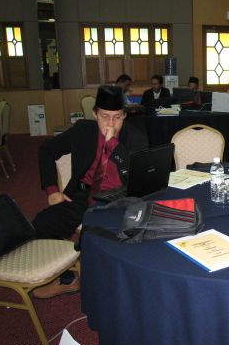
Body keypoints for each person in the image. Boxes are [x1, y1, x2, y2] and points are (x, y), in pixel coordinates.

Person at [31, 85, 148, 298]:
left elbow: (137, 176)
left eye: (117, 117)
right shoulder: (83, 131)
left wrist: (114, 145)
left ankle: (117, 285)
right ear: (94, 114)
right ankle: (67, 279)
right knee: (43, 223)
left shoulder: (135, 136)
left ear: (124, 116)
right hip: (83, 195)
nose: (110, 124)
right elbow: (46, 149)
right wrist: (52, 190)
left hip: (120, 198)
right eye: (104, 117)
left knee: (102, 236)